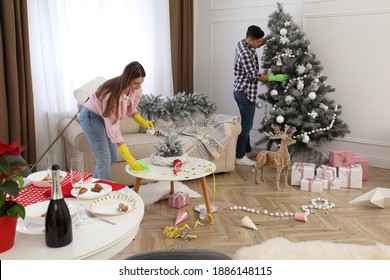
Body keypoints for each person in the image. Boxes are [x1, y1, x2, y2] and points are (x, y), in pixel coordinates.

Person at [79, 61, 153, 180]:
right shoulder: (111, 94)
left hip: (104, 116)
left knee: (113, 156)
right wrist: (128, 156)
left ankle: (92, 184)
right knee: (104, 158)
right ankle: (106, 195)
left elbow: (131, 108)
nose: (139, 86)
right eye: (136, 83)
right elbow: (113, 126)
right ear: (127, 79)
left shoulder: (135, 89)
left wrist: (142, 121)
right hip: (91, 116)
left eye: (141, 82)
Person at [233, 25, 288, 166]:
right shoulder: (246, 52)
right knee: (247, 125)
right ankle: (239, 157)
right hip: (244, 93)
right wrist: (274, 78)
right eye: (257, 42)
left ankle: (246, 150)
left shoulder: (243, 42)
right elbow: (254, 76)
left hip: (239, 90)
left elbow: (260, 40)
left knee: (245, 123)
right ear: (250, 40)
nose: (259, 44)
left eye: (260, 41)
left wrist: (270, 37)